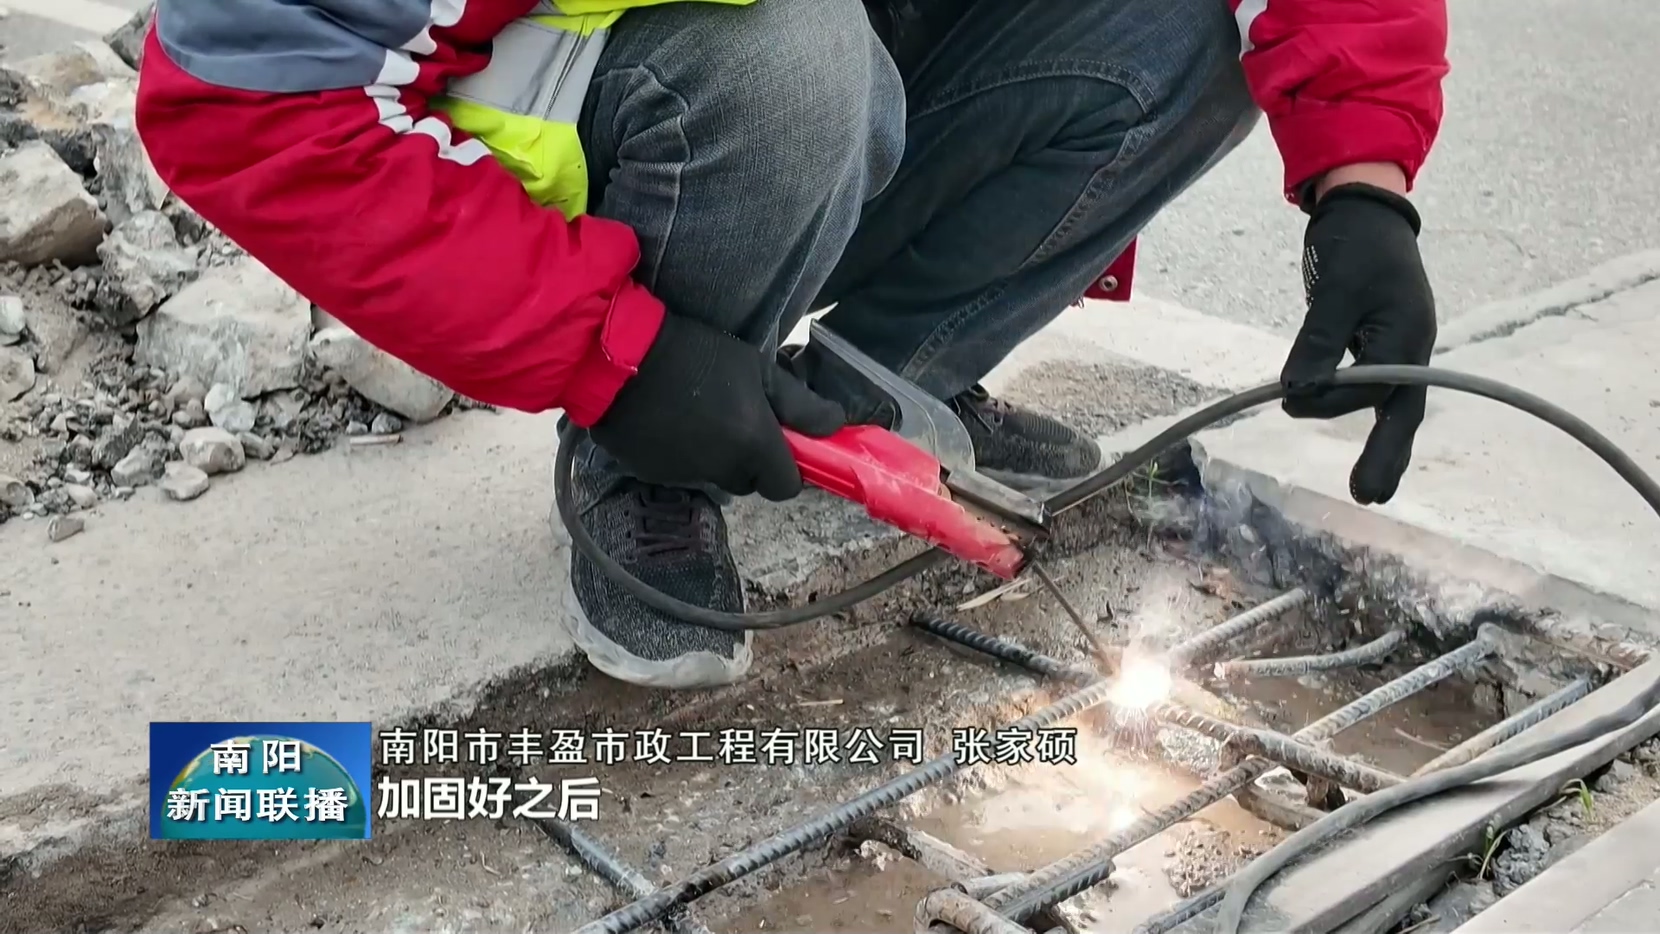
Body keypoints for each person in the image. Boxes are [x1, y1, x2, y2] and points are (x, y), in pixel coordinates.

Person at [135, 0, 1447, 690]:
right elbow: (246, 96)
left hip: (846, 51)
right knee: (798, 67)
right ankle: (642, 460)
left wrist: (1366, 186)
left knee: (1180, 24)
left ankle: (883, 386)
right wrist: (615, 352)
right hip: (629, 118)